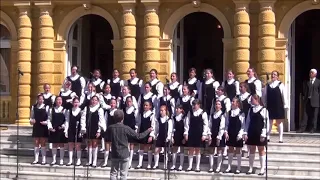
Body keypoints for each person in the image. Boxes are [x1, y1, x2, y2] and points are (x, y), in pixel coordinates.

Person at [106, 110, 153, 180]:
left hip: (115, 153)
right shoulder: (126, 128)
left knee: (113, 173)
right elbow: (138, 136)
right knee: (123, 174)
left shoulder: (110, 128)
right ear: (123, 118)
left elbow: (106, 136)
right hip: (124, 153)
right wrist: (148, 131)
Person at [243, 94, 268, 175]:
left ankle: (262, 168)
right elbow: (247, 122)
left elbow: (266, 123)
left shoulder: (264, 110)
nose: (251, 101)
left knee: (261, 149)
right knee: (251, 149)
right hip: (251, 132)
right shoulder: (251, 109)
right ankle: (250, 168)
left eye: (252, 100)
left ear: (256, 100)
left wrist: (263, 133)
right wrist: (245, 132)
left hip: (260, 133)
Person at [184, 99, 209, 172]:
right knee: (191, 149)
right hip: (191, 132)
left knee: (198, 150)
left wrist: (204, 134)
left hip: (199, 133)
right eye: (193, 104)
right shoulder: (190, 112)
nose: (194, 106)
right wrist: (186, 133)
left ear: (199, 105)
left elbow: (206, 124)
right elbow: (187, 123)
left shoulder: (203, 113)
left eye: (195, 104)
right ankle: (190, 166)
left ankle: (197, 166)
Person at [81, 96, 106, 167]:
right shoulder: (87, 108)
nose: (94, 101)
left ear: (98, 101)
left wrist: (99, 131)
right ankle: (89, 161)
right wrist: (83, 127)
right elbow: (83, 118)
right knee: (89, 144)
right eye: (92, 100)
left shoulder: (99, 109)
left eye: (95, 100)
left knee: (95, 144)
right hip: (88, 128)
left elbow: (101, 120)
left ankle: (94, 161)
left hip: (96, 128)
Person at [264, 70, 288, 142]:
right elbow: (265, 96)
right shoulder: (268, 85)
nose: (273, 76)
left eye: (274, 74)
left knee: (279, 122)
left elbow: (284, 95)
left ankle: (280, 138)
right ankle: (268, 136)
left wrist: (285, 105)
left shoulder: (280, 84)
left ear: (277, 76)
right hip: (270, 105)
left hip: (278, 106)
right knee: (269, 122)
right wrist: (264, 104)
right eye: (272, 74)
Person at [224, 97, 245, 174]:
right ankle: (229, 166)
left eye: (233, 101)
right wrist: (226, 132)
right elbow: (226, 124)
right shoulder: (229, 113)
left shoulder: (241, 113)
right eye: (232, 101)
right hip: (230, 133)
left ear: (237, 103)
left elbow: (243, 125)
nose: (232, 103)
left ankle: (238, 167)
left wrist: (240, 134)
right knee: (230, 149)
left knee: (238, 150)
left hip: (238, 133)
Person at [135, 101, 157, 169]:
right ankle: (140, 163)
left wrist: (151, 135)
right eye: (144, 105)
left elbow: (153, 126)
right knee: (141, 147)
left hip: (148, 133)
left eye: (147, 105)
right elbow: (138, 124)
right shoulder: (141, 114)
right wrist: (137, 132)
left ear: (150, 106)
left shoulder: (152, 115)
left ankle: (149, 164)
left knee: (149, 148)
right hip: (142, 132)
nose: (145, 106)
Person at [298, 69, 320, 133]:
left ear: (315, 74)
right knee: (305, 115)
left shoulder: (318, 82)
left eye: (312, 73)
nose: (310, 74)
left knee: (315, 116)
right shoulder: (306, 82)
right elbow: (304, 91)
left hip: (316, 102)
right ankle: (302, 128)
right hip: (307, 101)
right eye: (310, 72)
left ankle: (313, 128)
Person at [30, 94, 50, 165]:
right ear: (37, 99)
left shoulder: (46, 107)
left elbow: (49, 117)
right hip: (36, 125)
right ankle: (36, 159)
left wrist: (46, 122)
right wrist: (31, 120)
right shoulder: (34, 107)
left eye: (42, 99)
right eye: (39, 99)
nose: (40, 100)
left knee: (43, 143)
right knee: (36, 142)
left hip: (43, 126)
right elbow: (31, 116)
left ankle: (43, 159)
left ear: (43, 100)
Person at [47, 96, 67, 166]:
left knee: (61, 144)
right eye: (58, 100)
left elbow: (66, 120)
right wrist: (50, 127)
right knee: (54, 144)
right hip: (54, 129)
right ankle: (54, 160)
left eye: (60, 100)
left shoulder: (64, 110)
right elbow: (49, 119)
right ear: (55, 101)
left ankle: (61, 160)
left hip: (61, 129)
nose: (59, 101)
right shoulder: (51, 109)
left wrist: (64, 126)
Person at [207, 100, 226, 173]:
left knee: (219, 150)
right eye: (216, 104)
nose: (217, 106)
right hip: (213, 134)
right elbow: (209, 125)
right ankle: (211, 167)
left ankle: (218, 167)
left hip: (219, 135)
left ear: (221, 106)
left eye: (218, 104)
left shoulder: (222, 115)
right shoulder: (212, 115)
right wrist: (209, 134)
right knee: (211, 150)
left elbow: (222, 126)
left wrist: (219, 136)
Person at [64, 97, 83, 166]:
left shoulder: (81, 111)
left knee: (78, 145)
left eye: (77, 102)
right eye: (75, 102)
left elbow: (82, 121)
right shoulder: (69, 111)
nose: (76, 103)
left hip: (78, 129)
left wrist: (81, 131)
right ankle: (70, 160)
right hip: (71, 128)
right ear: (72, 103)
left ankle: (78, 160)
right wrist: (66, 130)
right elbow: (67, 120)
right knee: (70, 144)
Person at [153, 105, 173, 169]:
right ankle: (156, 164)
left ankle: (165, 165)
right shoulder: (158, 119)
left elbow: (170, 129)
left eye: (162, 110)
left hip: (166, 137)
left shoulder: (169, 120)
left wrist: (169, 137)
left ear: (166, 111)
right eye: (160, 110)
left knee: (165, 151)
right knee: (156, 150)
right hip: (160, 136)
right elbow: (156, 128)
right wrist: (155, 135)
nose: (161, 112)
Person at [123, 96, 139, 169]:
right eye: (127, 101)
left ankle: (130, 162)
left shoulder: (135, 110)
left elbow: (137, 120)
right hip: (125, 129)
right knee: (126, 145)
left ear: (132, 102)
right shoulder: (124, 109)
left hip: (132, 129)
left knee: (131, 145)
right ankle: (126, 160)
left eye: (130, 101)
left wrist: (136, 129)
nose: (128, 103)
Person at [102, 98, 118, 167]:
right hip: (108, 130)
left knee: (115, 147)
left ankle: (115, 162)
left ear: (116, 104)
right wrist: (105, 130)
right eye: (111, 103)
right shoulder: (107, 112)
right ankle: (105, 161)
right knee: (107, 147)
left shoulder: (118, 112)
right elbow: (105, 121)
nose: (112, 104)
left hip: (115, 131)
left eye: (114, 103)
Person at [170, 105, 186, 171]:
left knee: (182, 149)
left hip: (182, 134)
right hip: (175, 134)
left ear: (181, 110)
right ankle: (173, 165)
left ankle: (181, 165)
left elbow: (186, 126)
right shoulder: (173, 117)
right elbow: (172, 127)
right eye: (176, 109)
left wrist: (185, 137)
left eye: (178, 109)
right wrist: (172, 136)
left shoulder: (184, 117)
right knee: (174, 149)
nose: (177, 110)